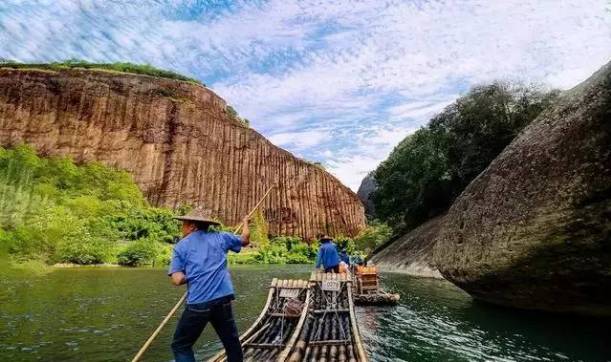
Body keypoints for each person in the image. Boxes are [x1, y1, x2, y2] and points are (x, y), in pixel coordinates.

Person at [168, 208, 250, 362]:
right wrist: (246, 223)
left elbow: (177, 279)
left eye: (184, 224)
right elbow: (245, 239)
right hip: (223, 299)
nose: (182, 227)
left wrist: (191, 275)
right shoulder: (221, 238)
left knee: (181, 345)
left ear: (193, 226)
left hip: (199, 303)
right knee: (231, 342)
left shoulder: (181, 247)